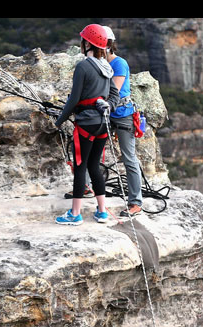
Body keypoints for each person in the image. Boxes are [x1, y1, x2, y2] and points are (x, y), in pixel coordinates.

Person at [54, 24, 119, 226]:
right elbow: (115, 95)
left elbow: (74, 99)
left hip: (86, 123)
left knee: (80, 166)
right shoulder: (107, 67)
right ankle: (101, 211)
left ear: (87, 42)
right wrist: (107, 104)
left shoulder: (83, 66)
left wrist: (59, 120)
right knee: (94, 166)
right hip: (102, 123)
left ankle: (75, 214)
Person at [103, 26, 143, 217]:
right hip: (106, 113)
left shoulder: (119, 64)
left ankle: (135, 202)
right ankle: (86, 187)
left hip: (122, 114)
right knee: (90, 151)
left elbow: (115, 91)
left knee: (129, 157)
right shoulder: (99, 63)